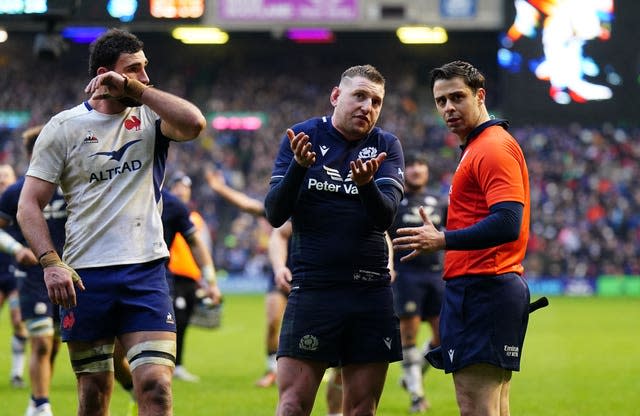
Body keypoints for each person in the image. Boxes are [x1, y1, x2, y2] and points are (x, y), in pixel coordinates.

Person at [16, 28, 206, 416]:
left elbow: (195, 124)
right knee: (94, 395)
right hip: (86, 275)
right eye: (134, 69)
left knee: (155, 388)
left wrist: (136, 90)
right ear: (105, 74)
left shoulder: (152, 114)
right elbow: (28, 205)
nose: (145, 77)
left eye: (145, 68)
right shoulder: (63, 128)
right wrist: (51, 263)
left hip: (146, 270)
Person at [264, 64, 405, 416]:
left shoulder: (386, 145)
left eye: (376, 101)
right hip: (314, 290)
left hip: (371, 293)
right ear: (335, 96)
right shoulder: (302, 137)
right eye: (359, 95)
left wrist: (366, 185)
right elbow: (275, 214)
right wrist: (298, 167)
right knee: (293, 405)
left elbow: (384, 217)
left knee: (361, 410)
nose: (367, 107)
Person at [392, 60, 531, 416]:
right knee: (493, 407)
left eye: (457, 97)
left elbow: (508, 222)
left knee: (475, 407)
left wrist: (443, 240)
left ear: (479, 95)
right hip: (484, 289)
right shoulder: (479, 146)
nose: (448, 108)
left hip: (482, 290)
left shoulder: (491, 148)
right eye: (441, 101)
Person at [0, 126, 64, 416]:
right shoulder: (15, 192)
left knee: (54, 343)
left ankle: (37, 397)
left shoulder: (71, 187)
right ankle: (41, 405)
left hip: (70, 274)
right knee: (39, 340)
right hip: (33, 276)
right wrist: (17, 249)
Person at [387, 153, 445, 413]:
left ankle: (412, 375)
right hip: (406, 275)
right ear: (403, 171)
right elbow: (383, 236)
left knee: (443, 337)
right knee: (408, 333)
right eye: (410, 165)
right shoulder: (394, 202)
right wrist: (388, 265)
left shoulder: (440, 201)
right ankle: (416, 395)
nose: (416, 169)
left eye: (421, 164)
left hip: (437, 275)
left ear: (427, 170)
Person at [164, 171, 221, 382]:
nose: (182, 190)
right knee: (175, 320)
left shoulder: (194, 218)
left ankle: (177, 365)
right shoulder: (166, 209)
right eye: (178, 185)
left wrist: (206, 279)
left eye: (186, 187)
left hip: (191, 277)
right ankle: (171, 364)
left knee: (185, 321)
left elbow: (202, 247)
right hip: (173, 275)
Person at [0, 163, 31, 389]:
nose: (2, 179)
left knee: (18, 319)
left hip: (16, 270)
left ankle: (17, 373)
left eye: (6, 176)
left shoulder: (21, 202)